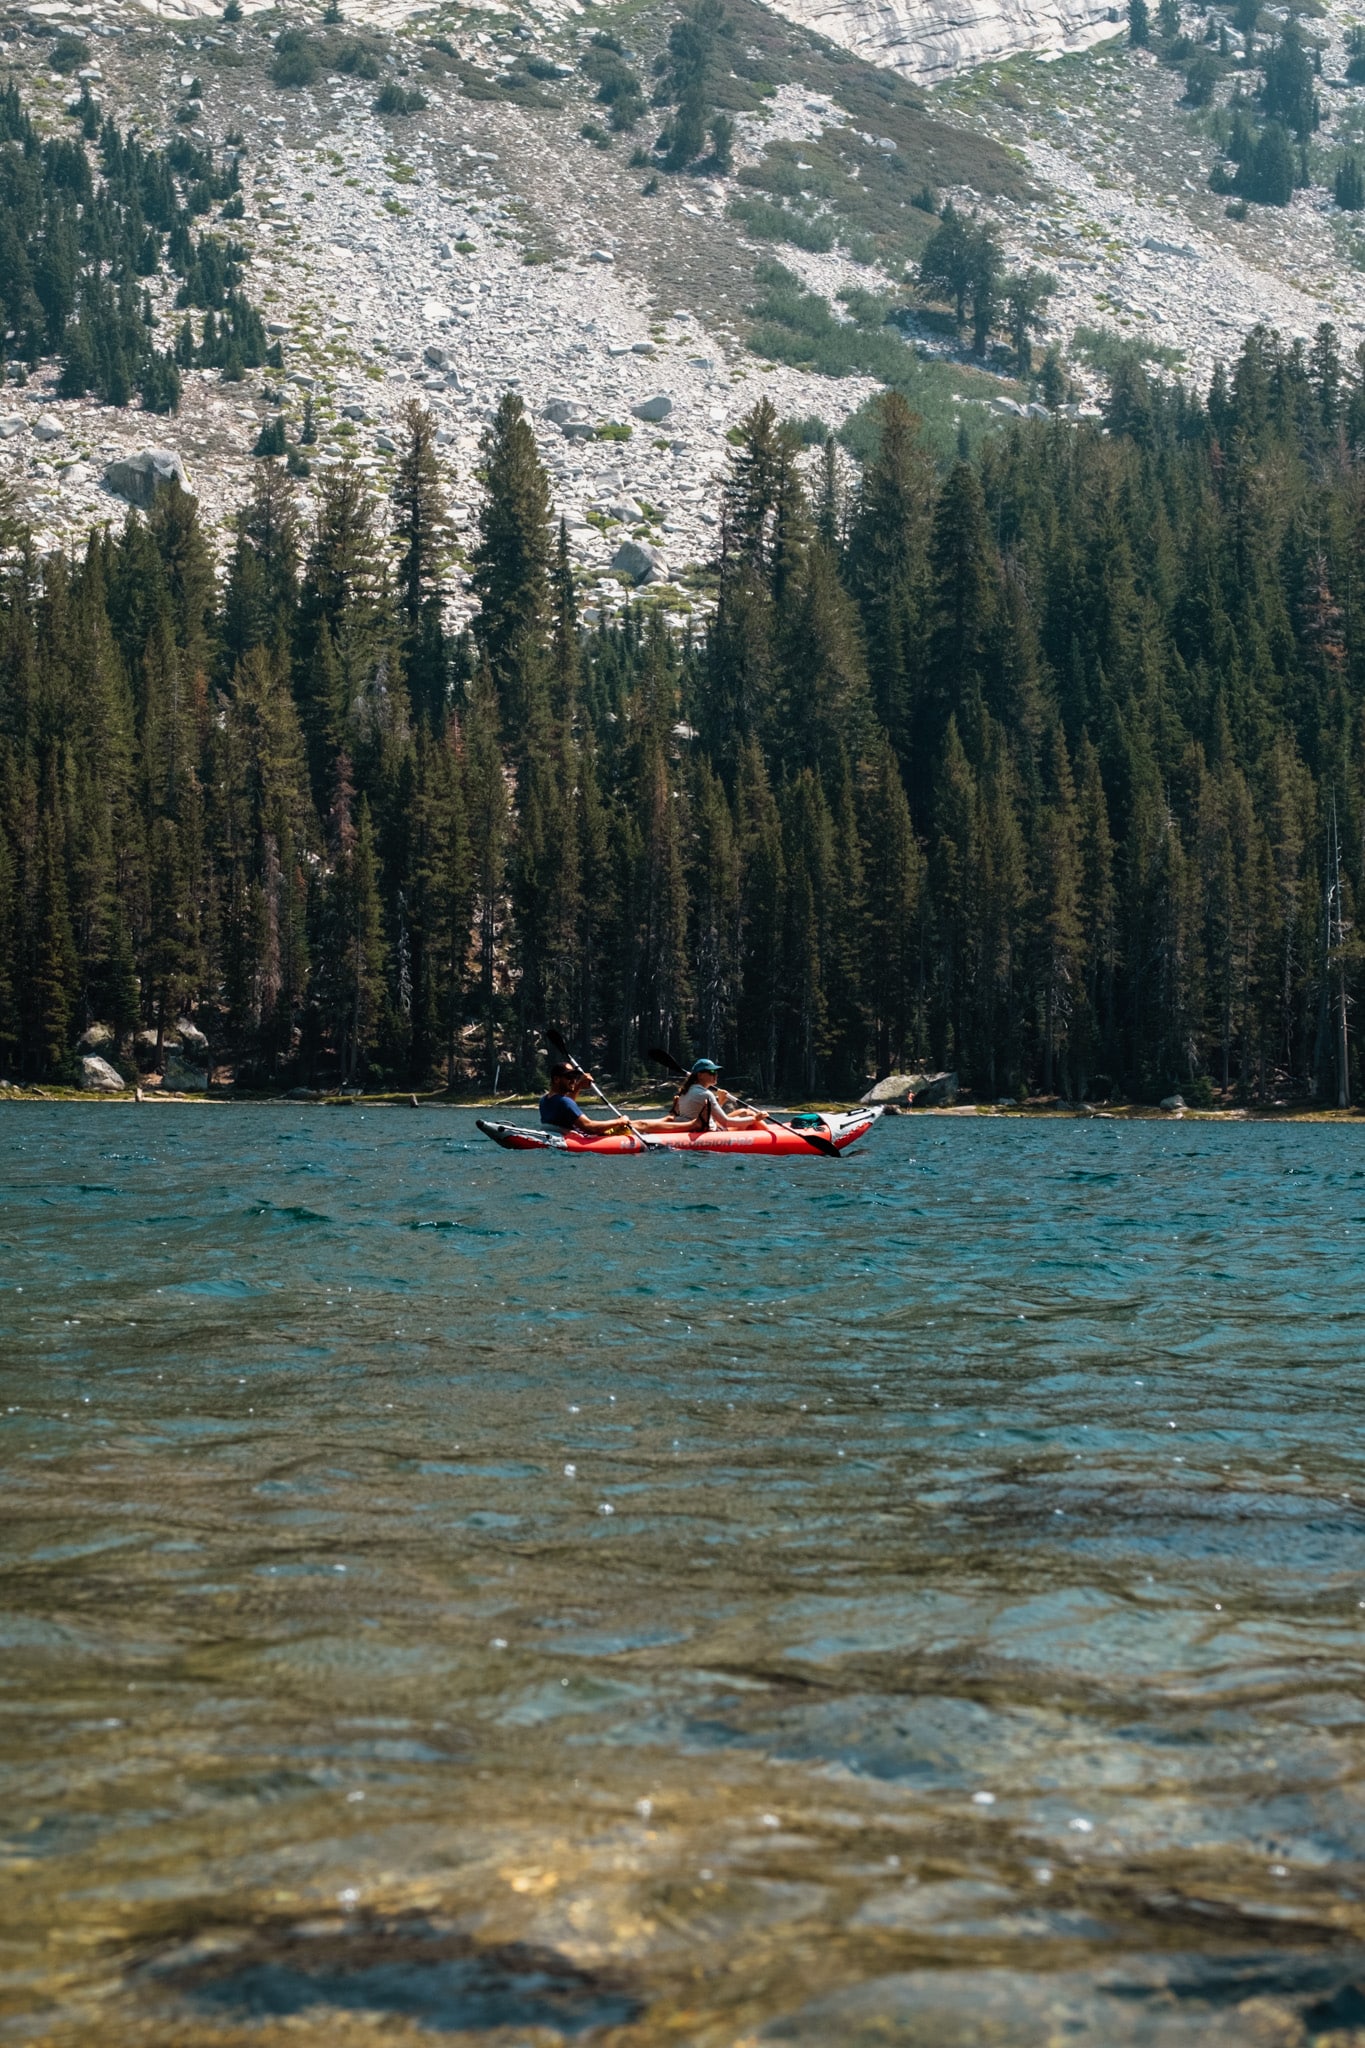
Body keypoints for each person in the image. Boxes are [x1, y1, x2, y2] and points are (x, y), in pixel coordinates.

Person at [667, 1059, 764, 1131]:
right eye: (711, 1072)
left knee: (744, 1112)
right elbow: (725, 1122)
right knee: (750, 1115)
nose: (715, 1075)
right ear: (700, 1075)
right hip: (710, 1131)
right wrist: (755, 1119)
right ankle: (772, 1136)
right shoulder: (706, 1094)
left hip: (697, 1126)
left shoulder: (684, 1091)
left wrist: (720, 1102)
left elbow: (703, 1115)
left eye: (716, 1072)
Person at [539, 1063, 631, 1137]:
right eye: (569, 1076)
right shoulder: (564, 1102)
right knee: (643, 1124)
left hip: (562, 1134)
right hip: (589, 1135)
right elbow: (590, 1128)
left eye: (575, 1076)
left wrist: (579, 1085)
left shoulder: (544, 1100)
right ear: (556, 1079)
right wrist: (620, 1121)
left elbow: (566, 1109)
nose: (573, 1080)